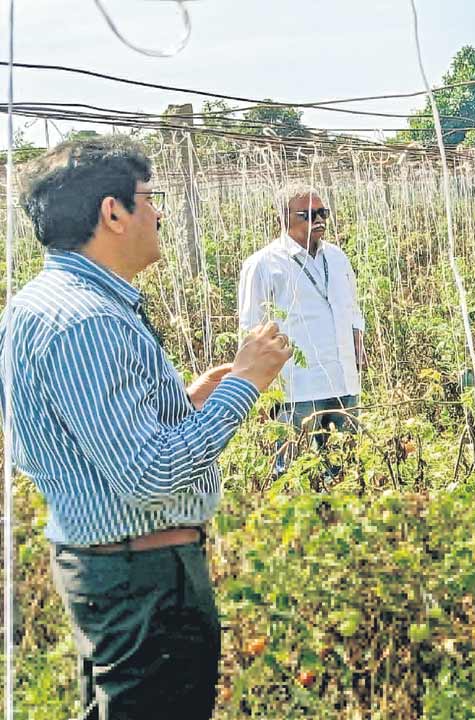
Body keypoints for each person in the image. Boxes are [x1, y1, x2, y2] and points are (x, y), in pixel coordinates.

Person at [0, 137, 290, 719]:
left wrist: (187, 402)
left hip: (112, 566)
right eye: (149, 199)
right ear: (113, 212)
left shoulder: (40, 305)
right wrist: (244, 385)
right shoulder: (90, 320)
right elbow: (149, 474)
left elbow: (74, 441)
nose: (159, 214)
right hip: (144, 580)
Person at [238, 185, 367, 474]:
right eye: (308, 214)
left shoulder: (337, 257)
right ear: (284, 219)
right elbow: (251, 330)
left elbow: (353, 309)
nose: (319, 220)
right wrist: (260, 389)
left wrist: (358, 344)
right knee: (293, 471)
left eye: (323, 213)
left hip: (342, 379)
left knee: (346, 467)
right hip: (297, 387)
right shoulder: (263, 264)